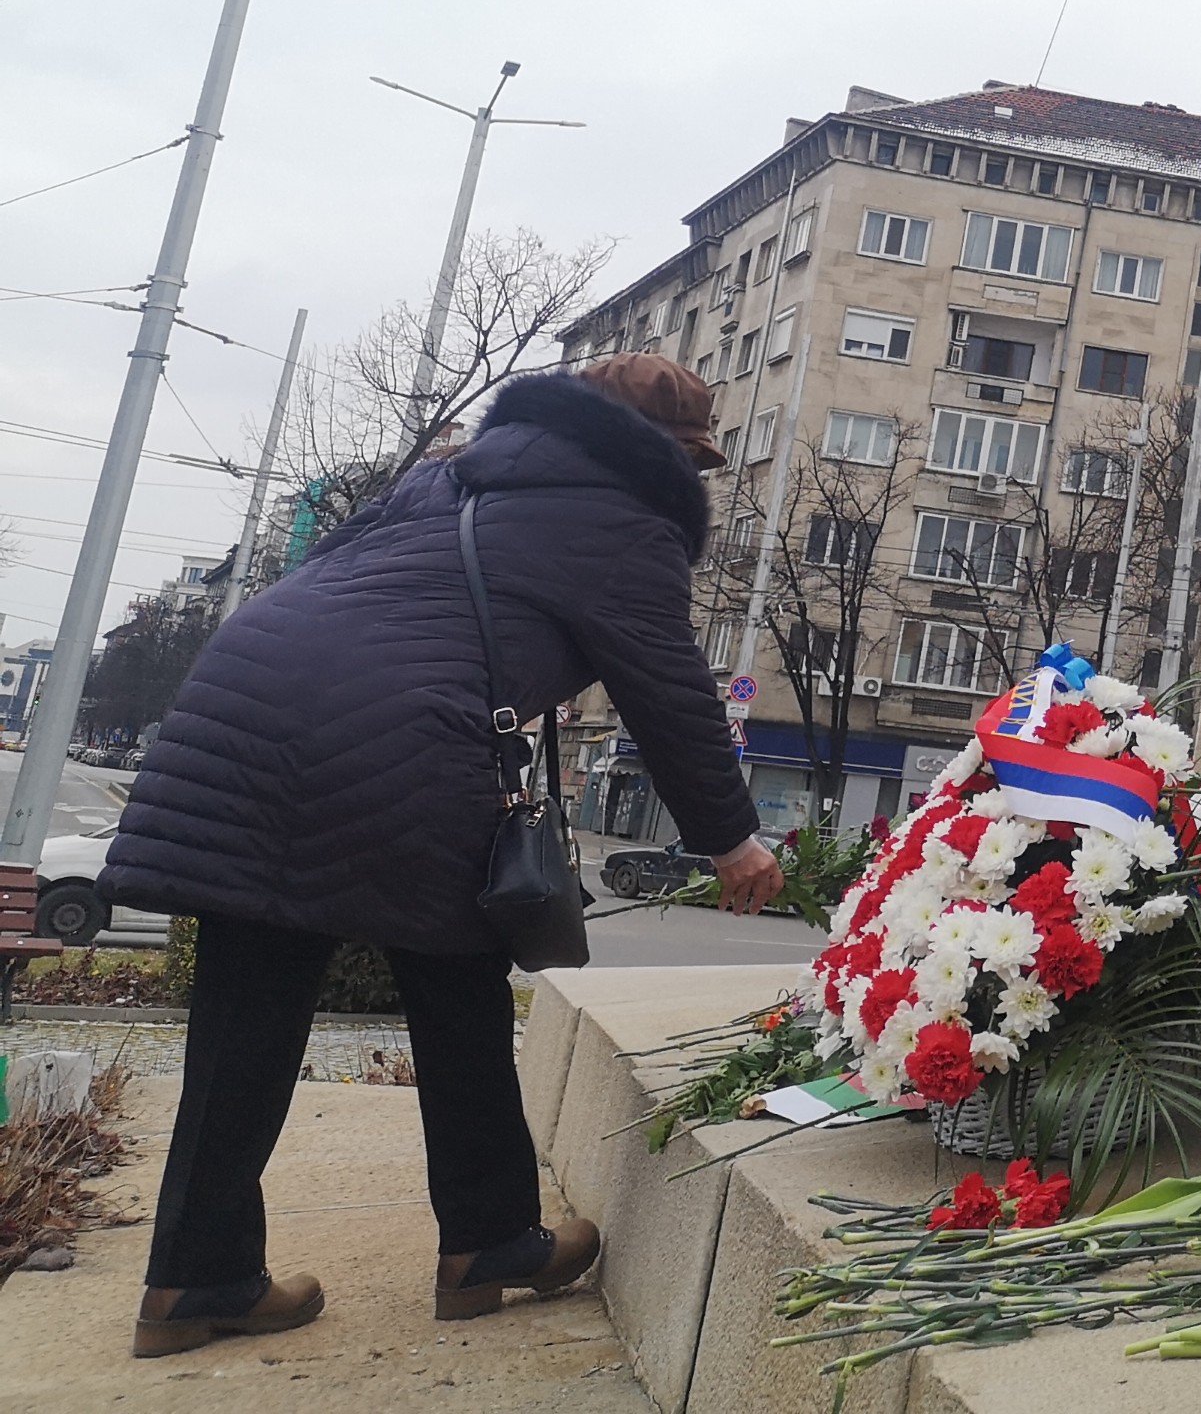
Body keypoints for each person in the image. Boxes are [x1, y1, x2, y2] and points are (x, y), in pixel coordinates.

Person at [102, 356, 783, 1358]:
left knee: (249, 1006)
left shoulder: (443, 477)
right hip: (398, 739)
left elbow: (339, 578)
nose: (694, 477)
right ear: (653, 451)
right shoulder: (623, 519)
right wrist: (732, 839)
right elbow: (669, 687)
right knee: (460, 983)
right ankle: (490, 1242)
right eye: (691, 457)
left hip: (241, 707)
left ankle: (194, 1278)